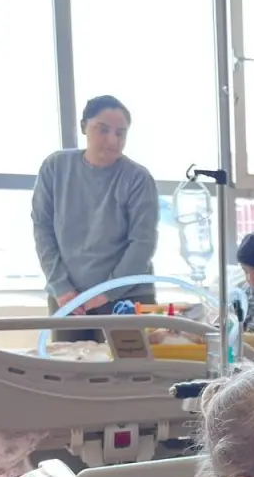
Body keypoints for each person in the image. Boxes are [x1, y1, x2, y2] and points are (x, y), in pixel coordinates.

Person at [32, 95, 159, 342]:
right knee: (68, 364)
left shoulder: (137, 178)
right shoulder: (55, 167)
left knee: (128, 365)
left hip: (126, 297)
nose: (112, 140)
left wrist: (106, 293)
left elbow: (142, 243)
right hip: (68, 298)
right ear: (84, 127)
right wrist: (61, 287)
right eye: (103, 130)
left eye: (120, 133)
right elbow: (42, 228)